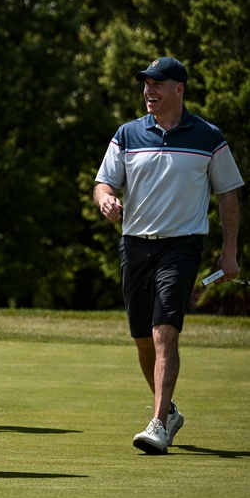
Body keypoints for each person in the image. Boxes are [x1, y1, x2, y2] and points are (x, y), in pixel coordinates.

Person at [94, 56, 243, 455]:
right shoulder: (127, 134)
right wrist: (106, 199)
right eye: (146, 84)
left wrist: (230, 253)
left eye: (158, 84)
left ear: (179, 88)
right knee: (143, 339)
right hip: (135, 244)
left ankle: (158, 422)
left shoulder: (208, 136)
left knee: (165, 333)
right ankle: (170, 411)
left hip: (181, 245)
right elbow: (104, 183)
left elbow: (228, 196)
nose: (149, 91)